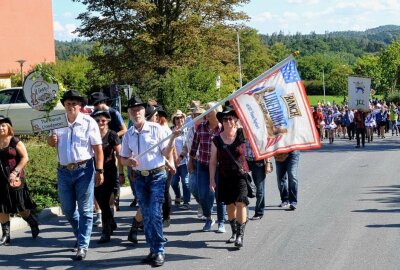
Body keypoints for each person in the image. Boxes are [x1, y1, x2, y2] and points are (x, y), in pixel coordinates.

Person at [47, 90, 104, 261]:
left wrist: (100, 171)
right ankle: (80, 235)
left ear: (80, 106)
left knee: (86, 209)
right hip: (63, 171)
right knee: (68, 209)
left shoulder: (89, 122)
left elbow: (98, 149)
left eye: (75, 103)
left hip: (84, 170)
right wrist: (52, 140)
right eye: (68, 103)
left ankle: (82, 245)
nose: (71, 106)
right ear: (64, 105)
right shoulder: (57, 121)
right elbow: (50, 142)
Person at [120, 97, 176, 267]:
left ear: (145, 111)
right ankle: (153, 249)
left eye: (139, 109)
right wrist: (129, 162)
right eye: (133, 110)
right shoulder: (128, 134)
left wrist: (173, 138)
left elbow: (166, 153)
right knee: (146, 214)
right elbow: (122, 158)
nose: (136, 112)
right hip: (139, 178)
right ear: (129, 114)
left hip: (157, 176)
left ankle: (159, 250)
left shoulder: (156, 129)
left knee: (154, 213)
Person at [209, 107, 249, 248]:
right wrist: (212, 180)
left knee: (241, 202)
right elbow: (213, 161)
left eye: (230, 118)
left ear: (236, 120)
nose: (227, 121)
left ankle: (240, 236)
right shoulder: (216, 140)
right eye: (225, 119)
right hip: (224, 176)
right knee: (230, 206)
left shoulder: (242, 134)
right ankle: (234, 231)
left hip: (240, 175)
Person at [0, 116, 39, 246]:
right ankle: (6, 235)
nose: (1, 128)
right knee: (2, 207)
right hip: (0, 179)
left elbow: (25, 158)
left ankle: (32, 222)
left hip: (15, 178)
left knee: (20, 207)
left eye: (3, 125)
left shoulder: (15, 141)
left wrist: (15, 172)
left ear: (8, 127)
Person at [189, 102, 226, 233]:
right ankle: (209, 218)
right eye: (207, 110)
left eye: (210, 110)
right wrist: (190, 161)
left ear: (217, 112)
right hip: (203, 165)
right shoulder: (201, 127)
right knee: (203, 194)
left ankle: (221, 222)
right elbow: (194, 145)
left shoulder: (222, 128)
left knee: (219, 195)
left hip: (219, 167)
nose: (207, 112)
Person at [91, 92, 127, 213]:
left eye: (96, 104)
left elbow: (124, 129)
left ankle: (114, 199)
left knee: (113, 174)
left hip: (114, 145)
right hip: (99, 145)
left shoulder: (114, 113)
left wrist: (111, 137)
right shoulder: (93, 115)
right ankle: (101, 208)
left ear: (102, 103)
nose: (95, 107)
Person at [91, 110, 122, 244]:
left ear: (108, 121)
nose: (100, 123)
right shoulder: (90, 135)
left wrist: (121, 173)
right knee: (99, 199)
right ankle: (111, 222)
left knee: (106, 200)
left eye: (103, 120)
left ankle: (105, 231)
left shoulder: (112, 135)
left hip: (109, 172)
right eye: (97, 120)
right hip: (94, 172)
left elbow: (120, 155)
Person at [245, 140, 272, 220]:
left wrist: (268, 163)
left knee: (260, 190)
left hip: (258, 162)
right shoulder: (241, 129)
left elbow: (266, 147)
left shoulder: (259, 130)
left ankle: (259, 213)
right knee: (242, 188)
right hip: (245, 161)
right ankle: (244, 213)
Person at [171, 110, 191, 210]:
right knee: (174, 182)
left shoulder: (188, 130)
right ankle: (178, 195)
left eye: (181, 118)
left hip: (185, 161)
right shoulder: (171, 131)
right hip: (173, 161)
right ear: (174, 120)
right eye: (177, 118)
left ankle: (186, 201)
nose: (179, 120)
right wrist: (174, 159)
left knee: (185, 181)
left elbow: (189, 145)